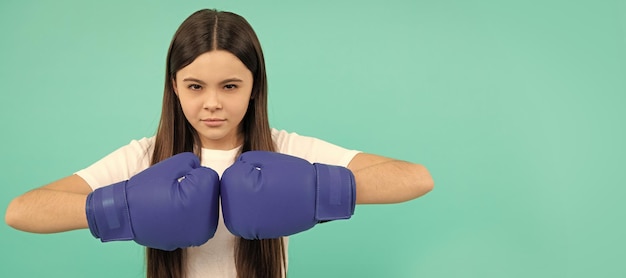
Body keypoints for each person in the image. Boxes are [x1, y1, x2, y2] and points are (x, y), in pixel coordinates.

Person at [4, 9, 434, 278]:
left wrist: (315, 190)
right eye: (195, 86)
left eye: (230, 85)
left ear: (254, 88)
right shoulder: (145, 158)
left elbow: (416, 179)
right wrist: (124, 207)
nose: (212, 104)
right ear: (174, 87)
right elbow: (21, 211)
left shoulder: (284, 151)